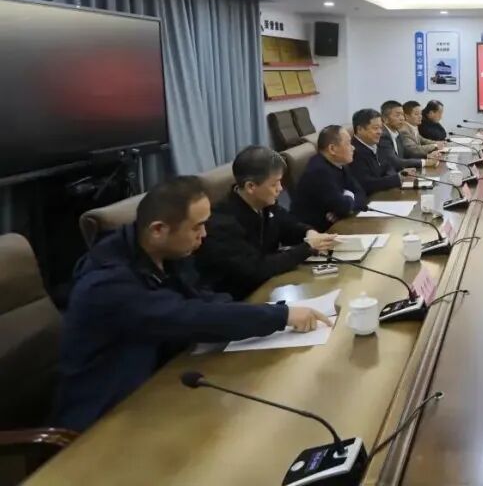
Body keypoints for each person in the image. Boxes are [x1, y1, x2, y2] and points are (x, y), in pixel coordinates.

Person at [53, 177, 330, 432]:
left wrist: (256, 312)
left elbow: (202, 297)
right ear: (158, 230)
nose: (204, 234)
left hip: (162, 384)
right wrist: (280, 316)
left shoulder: (162, 253)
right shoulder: (108, 284)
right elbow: (191, 316)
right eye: (197, 226)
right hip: (106, 417)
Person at [196, 147, 337, 300]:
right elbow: (257, 269)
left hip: (270, 285)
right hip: (241, 299)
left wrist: (308, 233)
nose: (280, 189)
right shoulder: (222, 224)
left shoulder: (265, 203)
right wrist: (307, 248)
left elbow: (288, 225)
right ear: (251, 186)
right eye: (274, 184)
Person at [291, 125, 366, 231]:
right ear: (332, 149)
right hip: (314, 233)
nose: (353, 147)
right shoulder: (319, 171)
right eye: (348, 143)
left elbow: (361, 193)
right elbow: (343, 207)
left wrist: (345, 204)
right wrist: (348, 199)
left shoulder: (340, 164)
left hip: (335, 225)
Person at [349, 108, 407, 193]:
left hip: (384, 192)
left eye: (381, 128)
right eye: (375, 128)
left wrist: (396, 177)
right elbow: (367, 184)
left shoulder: (375, 144)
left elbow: (388, 166)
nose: (380, 132)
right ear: (359, 129)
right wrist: (397, 178)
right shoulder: (354, 152)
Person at [379, 100, 436, 172]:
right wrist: (424, 162)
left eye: (402, 115)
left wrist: (427, 156)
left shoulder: (397, 132)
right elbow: (394, 162)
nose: (402, 118)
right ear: (385, 119)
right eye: (397, 115)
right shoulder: (383, 136)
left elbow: (406, 153)